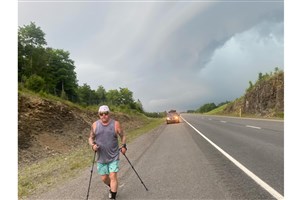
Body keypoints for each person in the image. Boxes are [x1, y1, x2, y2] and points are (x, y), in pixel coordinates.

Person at [88, 105, 127, 200]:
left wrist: (124, 146)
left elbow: (123, 136)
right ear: (99, 115)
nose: (104, 116)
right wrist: (93, 145)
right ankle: (112, 187)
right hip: (101, 158)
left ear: (109, 114)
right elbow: (90, 138)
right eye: (101, 114)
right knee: (104, 178)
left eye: (106, 113)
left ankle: (113, 196)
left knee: (113, 176)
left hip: (113, 156)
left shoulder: (115, 124)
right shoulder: (95, 125)